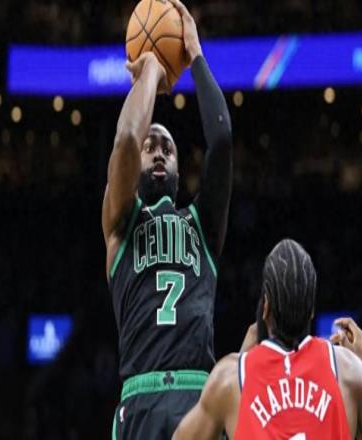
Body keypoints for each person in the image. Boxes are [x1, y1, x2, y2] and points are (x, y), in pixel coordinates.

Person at [101, 0, 232, 437]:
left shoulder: (202, 226)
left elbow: (222, 140)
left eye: (168, 149)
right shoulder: (121, 221)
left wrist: (195, 56)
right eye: (151, 146)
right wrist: (152, 72)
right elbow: (126, 138)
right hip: (141, 397)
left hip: (198, 399)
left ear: (179, 168)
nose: (158, 153)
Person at [173, 239, 362, 440]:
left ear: (265, 307)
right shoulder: (348, 370)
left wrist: (243, 359)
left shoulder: (229, 378)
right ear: (311, 310)